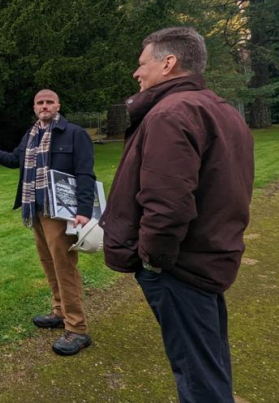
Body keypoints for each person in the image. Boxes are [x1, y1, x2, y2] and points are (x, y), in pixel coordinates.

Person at [101, 27, 254, 403]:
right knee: (209, 363)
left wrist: (154, 261)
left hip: (181, 269)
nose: (136, 74)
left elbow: (168, 205)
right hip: (210, 258)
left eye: (142, 64)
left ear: (168, 63)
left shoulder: (170, 113)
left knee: (199, 380)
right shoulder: (221, 110)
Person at [0, 89, 96, 356]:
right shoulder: (31, 135)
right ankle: (59, 311)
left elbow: (85, 173)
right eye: (40, 102)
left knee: (65, 268)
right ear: (34, 107)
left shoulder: (74, 134)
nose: (44, 106)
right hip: (35, 210)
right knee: (49, 264)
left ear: (58, 105)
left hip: (60, 213)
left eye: (49, 102)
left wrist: (84, 210)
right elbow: (14, 160)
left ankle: (77, 329)